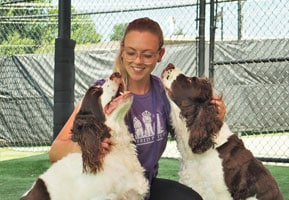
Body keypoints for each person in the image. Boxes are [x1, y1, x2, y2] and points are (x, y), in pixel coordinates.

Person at [49, 17, 226, 200]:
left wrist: (216, 118)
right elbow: (55, 151)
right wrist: (89, 145)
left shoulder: (163, 92)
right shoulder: (103, 95)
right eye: (131, 52)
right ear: (122, 50)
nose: (138, 61)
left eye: (147, 55)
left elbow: (191, 142)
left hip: (144, 185)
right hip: (109, 190)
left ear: (160, 54)